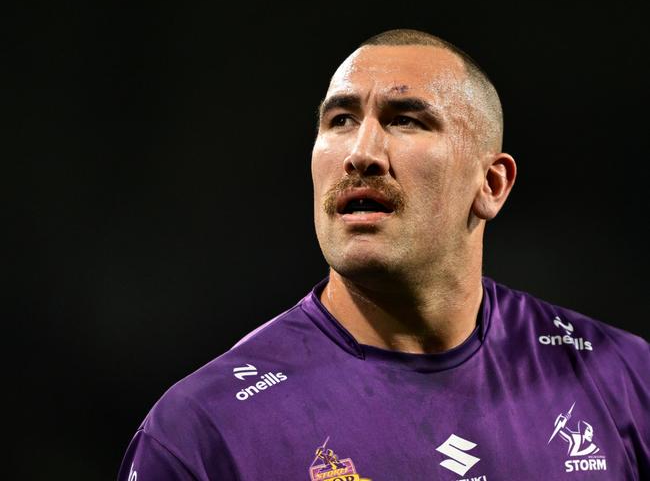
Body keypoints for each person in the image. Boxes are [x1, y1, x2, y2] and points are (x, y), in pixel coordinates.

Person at [117, 29, 649, 480]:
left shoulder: (625, 380)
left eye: (405, 120)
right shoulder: (203, 431)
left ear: (490, 184)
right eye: (340, 120)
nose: (361, 153)